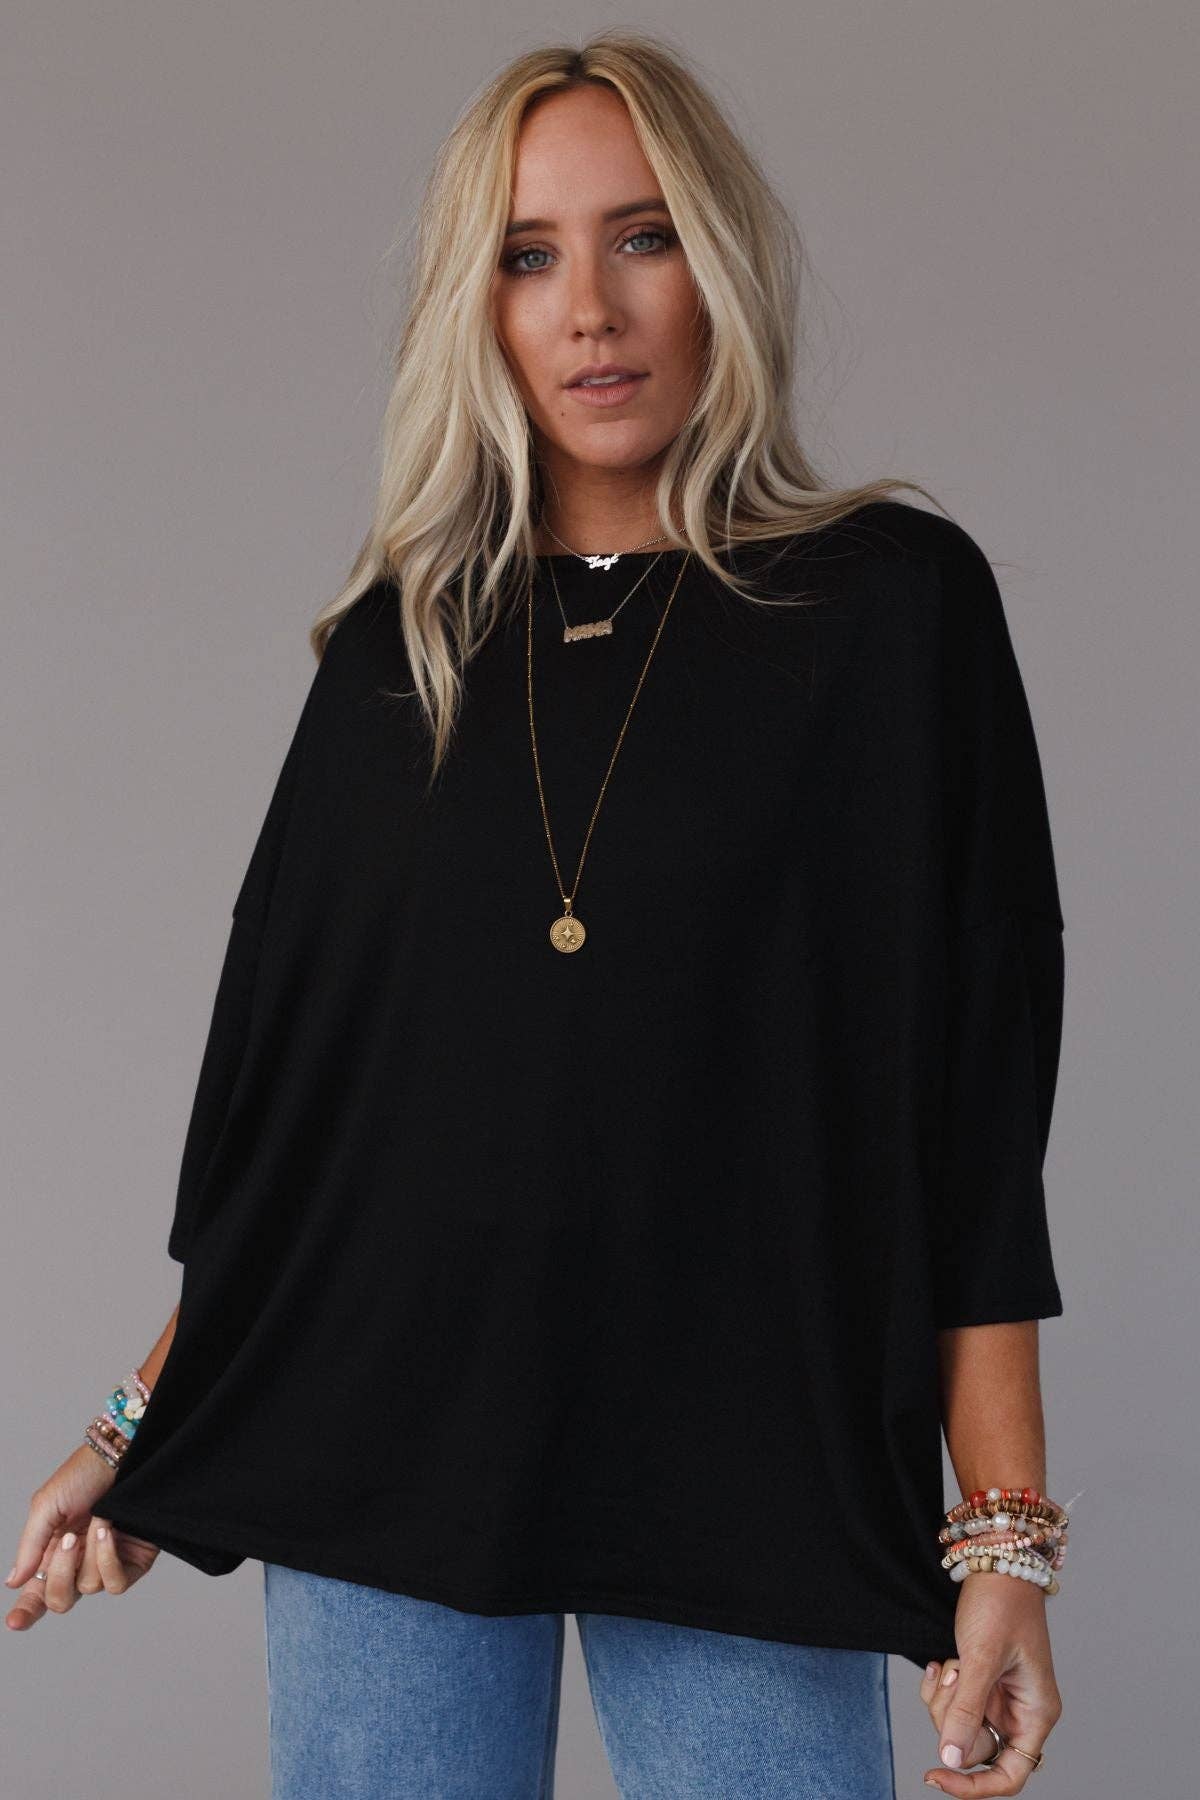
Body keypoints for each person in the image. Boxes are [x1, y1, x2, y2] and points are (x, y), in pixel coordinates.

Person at [5, 30, 1071, 1799]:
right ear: (477, 306)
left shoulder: (890, 610)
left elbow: (969, 1114)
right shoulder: (401, 648)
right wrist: (146, 1424)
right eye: (528, 255)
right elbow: (308, 1119)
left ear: (719, 263)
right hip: (377, 1452)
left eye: (643, 237)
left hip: (752, 1465)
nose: (591, 309)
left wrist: (1005, 1538)